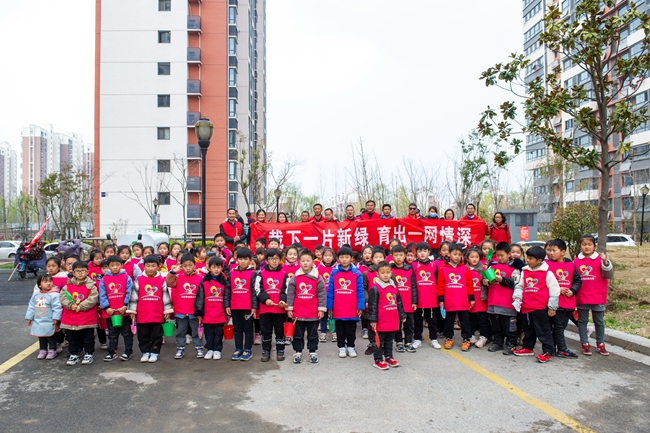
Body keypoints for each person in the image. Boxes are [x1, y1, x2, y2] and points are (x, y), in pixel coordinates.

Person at [513, 246, 561, 363]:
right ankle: (528, 347)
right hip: (526, 307)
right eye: (527, 258)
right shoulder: (525, 271)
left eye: (531, 258)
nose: (528, 260)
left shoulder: (547, 273)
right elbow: (520, 286)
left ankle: (548, 351)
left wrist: (552, 307)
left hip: (540, 307)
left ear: (539, 260)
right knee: (528, 329)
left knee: (543, 330)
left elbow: (554, 291)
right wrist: (517, 297)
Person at [127, 255, 173, 363]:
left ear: (158, 266)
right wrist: (132, 310)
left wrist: (167, 310)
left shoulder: (161, 280)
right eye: (148, 266)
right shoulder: (139, 280)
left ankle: (155, 352)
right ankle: (145, 351)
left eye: (153, 266)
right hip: (142, 314)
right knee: (143, 335)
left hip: (157, 314)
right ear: (144, 267)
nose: (151, 268)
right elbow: (133, 296)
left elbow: (166, 296)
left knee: (157, 335)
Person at [574, 235, 614, 356]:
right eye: (584, 244)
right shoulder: (576, 261)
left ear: (594, 246)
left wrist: (605, 262)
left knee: (599, 321)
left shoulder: (600, 260)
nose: (587, 247)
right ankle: (585, 343)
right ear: (580, 246)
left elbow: (609, 275)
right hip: (582, 296)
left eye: (589, 244)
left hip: (598, 296)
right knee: (582, 321)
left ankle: (600, 343)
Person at [286, 249, 327, 364]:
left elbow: (322, 294)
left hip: (313, 313)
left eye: (308, 261)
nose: (305, 263)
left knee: (313, 334)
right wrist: (289, 308)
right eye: (303, 261)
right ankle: (298, 352)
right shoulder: (295, 277)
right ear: (299, 262)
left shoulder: (317, 277)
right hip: (298, 313)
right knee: (298, 334)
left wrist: (321, 309)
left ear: (313, 262)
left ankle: (312, 351)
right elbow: (290, 294)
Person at [545, 238, 581, 358]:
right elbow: (543, 282)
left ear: (563, 252)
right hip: (555, 303)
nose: (551, 253)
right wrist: (557, 289)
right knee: (558, 327)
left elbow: (577, 280)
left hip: (568, 303)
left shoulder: (571, 265)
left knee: (561, 327)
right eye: (549, 250)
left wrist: (573, 290)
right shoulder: (546, 265)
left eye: (554, 250)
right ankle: (561, 349)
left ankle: (554, 347)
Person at [368, 261, 407, 370]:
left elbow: (399, 303)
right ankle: (378, 359)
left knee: (390, 340)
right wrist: (373, 320)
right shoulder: (375, 288)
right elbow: (372, 306)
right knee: (378, 341)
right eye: (382, 273)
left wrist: (402, 315)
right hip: (380, 320)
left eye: (388, 272)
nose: (385, 275)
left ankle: (389, 356)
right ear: (377, 274)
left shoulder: (394, 287)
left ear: (391, 273)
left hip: (392, 319)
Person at [327, 246, 364, 358]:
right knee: (340, 330)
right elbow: (330, 291)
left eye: (347, 257)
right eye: (342, 257)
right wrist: (329, 306)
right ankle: (342, 347)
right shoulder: (334, 273)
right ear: (338, 258)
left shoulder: (357, 273)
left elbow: (360, 291)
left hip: (352, 307)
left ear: (351, 258)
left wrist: (360, 306)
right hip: (338, 307)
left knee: (351, 329)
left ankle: (351, 347)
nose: (344, 260)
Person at [485, 242, 521, 355]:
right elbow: (484, 279)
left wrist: (503, 280)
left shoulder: (514, 267)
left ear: (509, 254)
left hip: (507, 303)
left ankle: (511, 343)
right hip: (493, 301)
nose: (500, 258)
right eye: (498, 255)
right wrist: (484, 281)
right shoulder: (492, 265)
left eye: (502, 255)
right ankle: (498, 342)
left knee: (509, 326)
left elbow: (516, 283)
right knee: (496, 325)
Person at [166, 253, 205, 359]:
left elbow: (203, 294)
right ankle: (180, 347)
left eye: (190, 265)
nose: (188, 268)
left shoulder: (200, 278)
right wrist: (174, 271)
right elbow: (169, 282)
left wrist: (201, 310)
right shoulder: (178, 277)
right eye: (185, 266)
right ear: (181, 266)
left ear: (195, 265)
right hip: (181, 310)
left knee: (196, 331)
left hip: (194, 311)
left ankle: (199, 347)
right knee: (180, 331)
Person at [60, 261, 99, 366]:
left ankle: (89, 353)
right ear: (73, 272)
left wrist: (81, 306)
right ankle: (74, 354)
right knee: (72, 338)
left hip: (87, 317)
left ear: (87, 272)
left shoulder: (91, 285)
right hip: (71, 317)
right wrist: (70, 305)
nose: (80, 273)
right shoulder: (67, 285)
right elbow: (63, 297)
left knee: (88, 338)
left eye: (83, 270)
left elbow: (93, 298)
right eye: (77, 271)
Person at [437, 243, 475, 351]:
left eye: (459, 254)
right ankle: (448, 338)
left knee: (465, 321)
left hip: (463, 301)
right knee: (449, 321)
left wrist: (471, 298)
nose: (457, 257)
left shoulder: (465, 269)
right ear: (449, 254)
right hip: (449, 300)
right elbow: (440, 285)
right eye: (454, 254)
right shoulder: (443, 269)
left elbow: (469, 284)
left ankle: (466, 339)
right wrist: (441, 299)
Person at [224, 247, 259, 361]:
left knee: (248, 329)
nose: (243, 261)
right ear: (236, 259)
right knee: (237, 329)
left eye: (245, 259)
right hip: (235, 307)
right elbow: (227, 291)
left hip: (247, 308)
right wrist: (227, 305)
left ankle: (247, 349)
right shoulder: (231, 273)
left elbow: (254, 291)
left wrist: (254, 307)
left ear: (250, 260)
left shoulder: (253, 274)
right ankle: (238, 348)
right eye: (240, 259)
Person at [254, 248, 288, 362]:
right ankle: (266, 350)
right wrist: (266, 299)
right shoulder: (261, 274)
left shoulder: (284, 274)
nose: (274, 261)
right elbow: (258, 289)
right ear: (266, 260)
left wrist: (282, 300)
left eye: (276, 258)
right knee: (265, 331)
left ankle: (280, 350)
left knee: (280, 331)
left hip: (279, 310)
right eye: (271, 258)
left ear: (280, 260)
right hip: (265, 309)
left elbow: (285, 289)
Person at [99, 255, 134, 362]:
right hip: (110, 312)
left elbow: (130, 292)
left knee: (126, 332)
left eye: (117, 265)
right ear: (108, 266)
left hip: (124, 311)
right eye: (112, 265)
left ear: (121, 265)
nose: (115, 267)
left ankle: (128, 351)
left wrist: (125, 305)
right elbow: (102, 295)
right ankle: (112, 351)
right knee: (112, 333)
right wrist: (106, 308)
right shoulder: (104, 279)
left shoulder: (127, 277)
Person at [194, 256, 230, 360]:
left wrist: (227, 307)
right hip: (207, 313)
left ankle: (217, 349)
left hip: (219, 313)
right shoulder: (204, 282)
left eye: (218, 267)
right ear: (209, 268)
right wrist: (199, 311)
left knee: (218, 333)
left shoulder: (224, 282)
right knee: (208, 333)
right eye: (214, 267)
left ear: (222, 268)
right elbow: (200, 297)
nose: (216, 269)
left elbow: (226, 296)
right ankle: (210, 349)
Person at [26, 275, 62, 360]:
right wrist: (29, 317)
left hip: (50, 320)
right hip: (39, 319)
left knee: (50, 336)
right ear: (39, 285)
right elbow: (31, 306)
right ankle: (43, 350)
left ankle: (52, 350)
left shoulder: (55, 295)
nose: (48, 283)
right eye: (45, 282)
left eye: (50, 281)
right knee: (41, 335)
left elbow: (57, 307)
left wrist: (56, 318)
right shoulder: (36, 295)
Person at [412, 242, 440, 349]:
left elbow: (437, 281)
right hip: (419, 299)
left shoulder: (434, 265)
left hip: (431, 299)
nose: (422, 253)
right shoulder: (413, 266)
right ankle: (417, 339)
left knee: (432, 321)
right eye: (420, 251)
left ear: (429, 252)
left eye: (425, 251)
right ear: (416, 253)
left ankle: (434, 339)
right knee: (418, 321)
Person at [390, 245, 418, 352]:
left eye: (401, 255)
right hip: (395, 303)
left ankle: (408, 341)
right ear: (392, 256)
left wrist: (414, 301)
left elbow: (414, 286)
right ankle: (399, 342)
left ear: (405, 256)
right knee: (397, 324)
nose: (398, 257)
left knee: (409, 324)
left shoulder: (409, 269)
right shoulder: (390, 270)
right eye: (396, 255)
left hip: (408, 302)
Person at [362, 248, 387, 355]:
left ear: (384, 259)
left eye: (380, 257)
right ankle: (372, 344)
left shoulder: (388, 273)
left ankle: (383, 345)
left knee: (383, 325)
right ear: (372, 259)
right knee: (371, 326)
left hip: (384, 304)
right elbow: (364, 288)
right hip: (371, 305)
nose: (378, 259)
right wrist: (367, 299)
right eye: (376, 257)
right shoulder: (367, 273)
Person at [465, 247, 490, 348]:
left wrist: (484, 295)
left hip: (481, 298)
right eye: (472, 257)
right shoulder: (464, 269)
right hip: (469, 299)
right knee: (471, 319)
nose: (474, 259)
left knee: (482, 320)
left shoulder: (484, 269)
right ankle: (471, 336)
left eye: (476, 257)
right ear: (467, 258)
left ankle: (484, 337)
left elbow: (486, 284)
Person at [317, 248, 337, 342]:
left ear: (333, 257)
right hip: (323, 296)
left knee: (334, 314)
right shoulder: (318, 268)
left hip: (334, 296)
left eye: (330, 256)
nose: (328, 258)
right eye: (325, 256)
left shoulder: (336, 268)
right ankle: (323, 332)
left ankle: (334, 332)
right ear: (322, 257)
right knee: (323, 315)